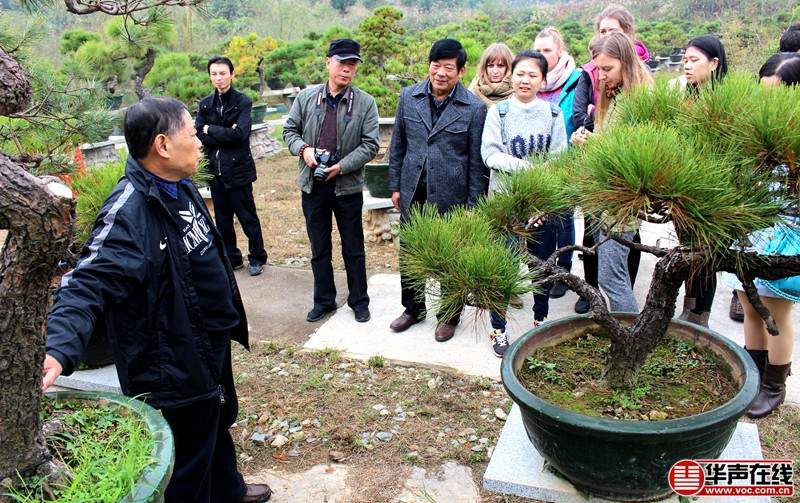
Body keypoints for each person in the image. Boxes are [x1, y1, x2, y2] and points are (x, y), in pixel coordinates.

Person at [42, 97, 273, 503]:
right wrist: (59, 347)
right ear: (163, 145)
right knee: (190, 453)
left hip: (208, 337)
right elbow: (86, 281)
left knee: (217, 419)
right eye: (190, 133)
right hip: (175, 354)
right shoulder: (130, 210)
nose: (200, 139)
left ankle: (228, 489)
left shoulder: (177, 184)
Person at [388, 38, 489, 342]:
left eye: (448, 67)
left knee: (451, 257)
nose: (441, 73)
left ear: (460, 71)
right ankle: (413, 308)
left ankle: (449, 315)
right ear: (429, 66)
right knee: (410, 254)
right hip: (414, 189)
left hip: (452, 196)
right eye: (436, 65)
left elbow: (476, 163)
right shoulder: (409, 97)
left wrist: (474, 204)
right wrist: (395, 185)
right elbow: (398, 146)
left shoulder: (473, 108)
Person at [719, 52, 800, 418]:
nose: (766, 101)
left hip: (785, 235)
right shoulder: (750, 131)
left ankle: (773, 385)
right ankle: (753, 374)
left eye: (777, 93)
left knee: (776, 313)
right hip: (752, 230)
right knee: (749, 304)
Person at [283, 38, 380, 324]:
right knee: (319, 248)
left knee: (353, 247)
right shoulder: (306, 98)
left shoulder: (365, 102)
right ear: (328, 62)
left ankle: (359, 301)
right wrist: (304, 149)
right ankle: (323, 300)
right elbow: (289, 130)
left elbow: (370, 144)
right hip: (313, 186)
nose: (347, 70)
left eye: (352, 64)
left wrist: (342, 166)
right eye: (341, 62)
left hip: (346, 186)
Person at [481, 50, 568, 356]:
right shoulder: (499, 113)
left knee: (542, 268)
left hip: (541, 208)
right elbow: (490, 154)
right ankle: (498, 329)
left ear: (542, 80)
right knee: (500, 267)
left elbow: (559, 159)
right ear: (511, 75)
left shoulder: (554, 115)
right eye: (520, 73)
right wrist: (529, 169)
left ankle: (540, 322)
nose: (525, 80)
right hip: (504, 205)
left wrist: (541, 201)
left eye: (533, 75)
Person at [571, 5, 650, 314]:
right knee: (609, 275)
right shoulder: (613, 95)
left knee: (613, 278)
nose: (600, 76)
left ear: (625, 64)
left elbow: (627, 153)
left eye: (607, 70)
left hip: (621, 204)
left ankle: (629, 337)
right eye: (598, 69)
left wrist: (593, 144)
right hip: (607, 202)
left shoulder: (636, 100)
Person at [670, 35, 728, 327]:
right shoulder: (684, 99)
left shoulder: (726, 102)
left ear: (715, 63)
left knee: (705, 257)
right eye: (685, 60)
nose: (687, 66)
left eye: (694, 61)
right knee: (688, 252)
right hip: (683, 192)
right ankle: (688, 309)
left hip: (712, 196)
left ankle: (700, 317)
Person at [196, 56, 268, 277]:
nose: (218, 78)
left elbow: (240, 134)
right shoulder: (205, 104)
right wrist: (216, 131)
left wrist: (212, 130)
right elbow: (199, 131)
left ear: (232, 74)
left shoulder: (242, 101)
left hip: (238, 170)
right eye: (214, 74)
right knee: (223, 220)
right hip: (215, 171)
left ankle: (257, 257)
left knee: (247, 217)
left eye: (222, 73)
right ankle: (232, 257)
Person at [533, 26, 584, 299]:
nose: (541, 55)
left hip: (565, 162)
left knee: (563, 220)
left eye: (547, 50)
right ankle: (543, 270)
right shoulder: (532, 80)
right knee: (540, 221)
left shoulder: (576, 81)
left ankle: (564, 272)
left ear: (560, 52)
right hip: (534, 165)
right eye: (538, 50)